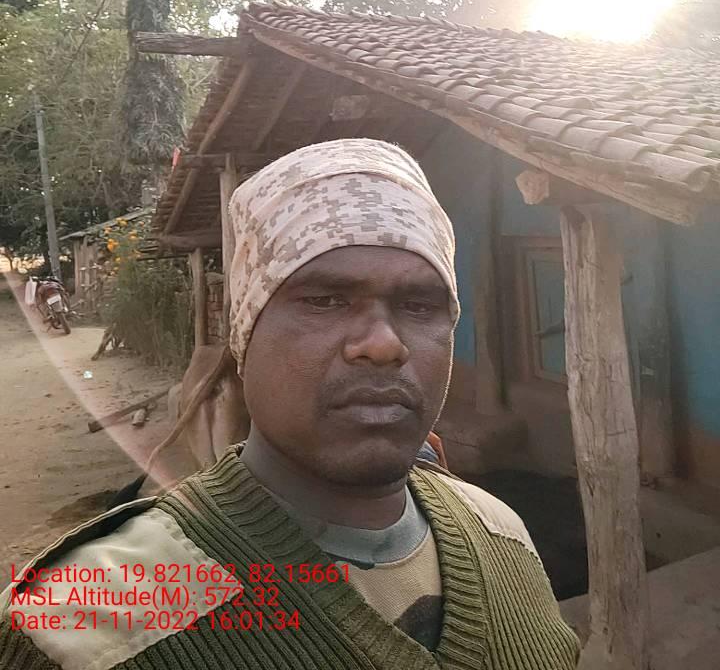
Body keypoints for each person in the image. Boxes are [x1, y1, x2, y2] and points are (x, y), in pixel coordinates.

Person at [0, 139, 579, 669]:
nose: (383, 344)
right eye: (325, 300)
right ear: (245, 330)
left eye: (420, 306)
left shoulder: (501, 535)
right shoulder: (84, 627)